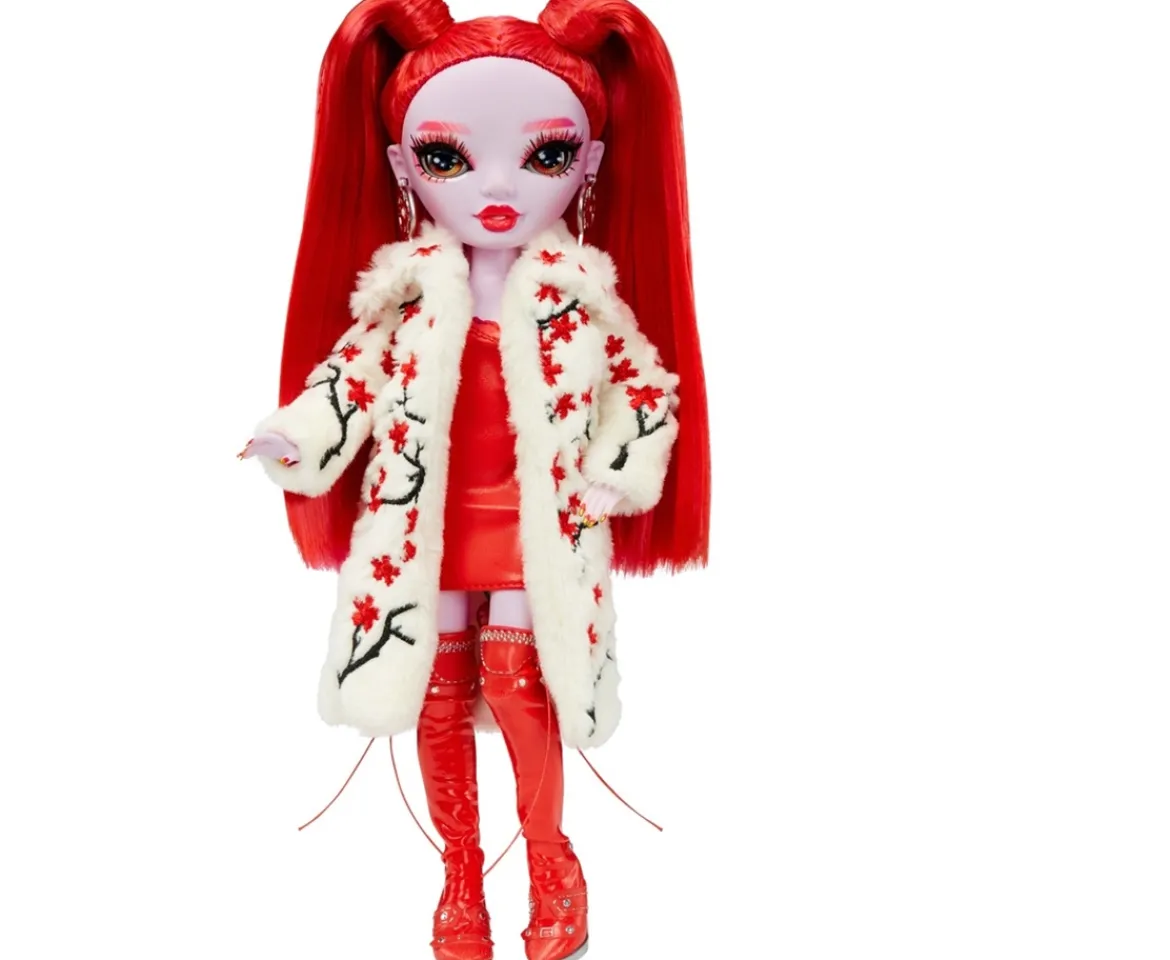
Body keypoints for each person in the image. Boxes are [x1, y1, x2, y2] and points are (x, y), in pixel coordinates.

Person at [240, 2, 709, 957]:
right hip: (426, 522)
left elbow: (644, 390)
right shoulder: (407, 294)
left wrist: (618, 469)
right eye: (449, 158)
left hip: (540, 522)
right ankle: (460, 876)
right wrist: (294, 437)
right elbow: (349, 381)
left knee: (519, 675)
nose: (497, 187)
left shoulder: (579, 295)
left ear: (591, 161)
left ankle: (549, 862)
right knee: (435, 685)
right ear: (401, 165)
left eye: (545, 155)